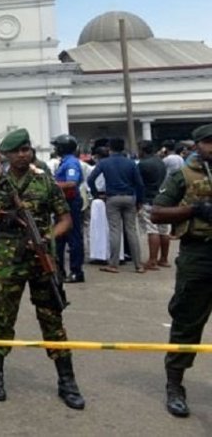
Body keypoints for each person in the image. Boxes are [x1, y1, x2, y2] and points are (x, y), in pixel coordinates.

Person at [0, 129, 85, 410]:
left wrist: (48, 238)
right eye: (17, 150)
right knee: (3, 315)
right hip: (8, 260)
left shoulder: (44, 181)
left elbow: (65, 218)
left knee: (52, 316)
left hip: (42, 257)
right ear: (5, 154)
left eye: (27, 149)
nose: (23, 154)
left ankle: (66, 380)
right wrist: (2, 215)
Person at [151, 123, 212, 418]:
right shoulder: (182, 175)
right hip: (199, 254)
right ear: (198, 145)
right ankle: (175, 384)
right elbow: (158, 211)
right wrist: (194, 210)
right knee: (187, 320)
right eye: (209, 143)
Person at [86, 138, 145, 273]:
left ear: (109, 148)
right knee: (131, 231)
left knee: (115, 230)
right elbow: (139, 184)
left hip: (112, 198)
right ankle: (138, 265)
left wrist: (96, 194)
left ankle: (113, 264)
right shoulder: (130, 163)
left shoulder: (104, 163)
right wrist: (139, 200)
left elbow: (91, 179)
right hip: (130, 197)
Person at [51, 135, 85, 283]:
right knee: (59, 237)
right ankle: (59, 271)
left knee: (73, 237)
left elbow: (71, 183)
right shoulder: (65, 162)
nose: (55, 149)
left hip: (70, 202)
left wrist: (51, 185)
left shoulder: (71, 163)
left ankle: (76, 271)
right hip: (62, 202)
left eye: (57, 146)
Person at [136, 140, 170, 270]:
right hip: (162, 199)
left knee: (152, 230)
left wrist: (138, 201)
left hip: (148, 199)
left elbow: (139, 184)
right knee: (164, 230)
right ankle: (164, 259)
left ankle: (152, 260)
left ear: (142, 150)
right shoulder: (161, 162)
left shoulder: (142, 165)